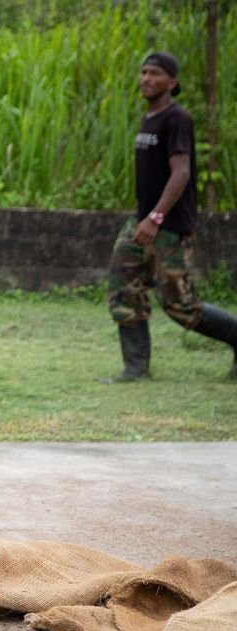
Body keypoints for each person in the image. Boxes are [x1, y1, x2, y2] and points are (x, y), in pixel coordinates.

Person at [102, 51, 237, 383]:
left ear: (172, 82)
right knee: (124, 288)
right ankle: (135, 368)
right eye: (143, 72)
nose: (146, 78)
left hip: (167, 226)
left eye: (155, 74)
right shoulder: (150, 118)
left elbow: (181, 173)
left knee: (180, 304)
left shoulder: (176, 118)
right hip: (141, 221)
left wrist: (156, 218)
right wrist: (143, 219)